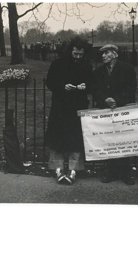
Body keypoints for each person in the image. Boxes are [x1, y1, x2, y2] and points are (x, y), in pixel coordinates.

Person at [45, 36, 93, 184]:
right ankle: (57, 167)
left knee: (76, 137)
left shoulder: (86, 65)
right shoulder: (57, 64)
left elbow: (92, 83)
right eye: (75, 54)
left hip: (78, 105)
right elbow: (50, 82)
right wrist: (62, 87)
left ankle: (74, 168)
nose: (78, 57)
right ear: (70, 51)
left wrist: (86, 86)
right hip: (61, 105)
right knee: (58, 137)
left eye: (80, 54)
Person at [92, 44, 137, 185]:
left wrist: (116, 100)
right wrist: (105, 99)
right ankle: (110, 171)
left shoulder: (127, 69)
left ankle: (125, 172)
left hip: (121, 109)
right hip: (105, 110)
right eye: (102, 54)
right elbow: (95, 89)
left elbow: (131, 89)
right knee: (109, 140)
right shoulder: (98, 72)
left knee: (123, 140)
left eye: (107, 53)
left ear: (115, 54)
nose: (103, 56)